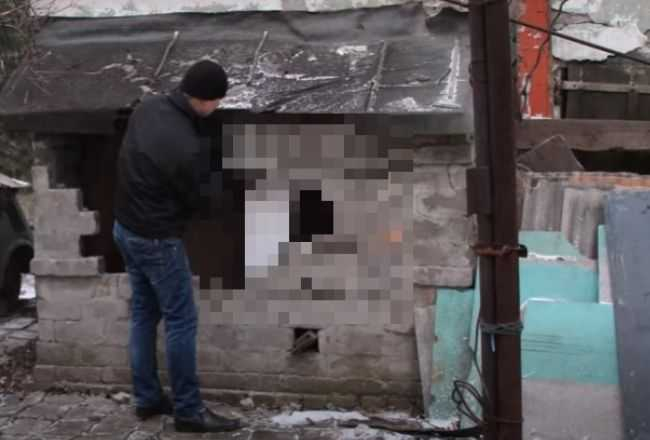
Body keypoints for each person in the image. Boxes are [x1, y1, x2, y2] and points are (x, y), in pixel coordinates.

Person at [112, 60, 241, 433]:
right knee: (181, 320)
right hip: (156, 239)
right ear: (205, 99)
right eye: (217, 101)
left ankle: (147, 398)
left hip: (125, 227)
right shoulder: (185, 147)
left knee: (143, 314)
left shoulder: (148, 107)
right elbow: (202, 202)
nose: (217, 107)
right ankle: (188, 410)